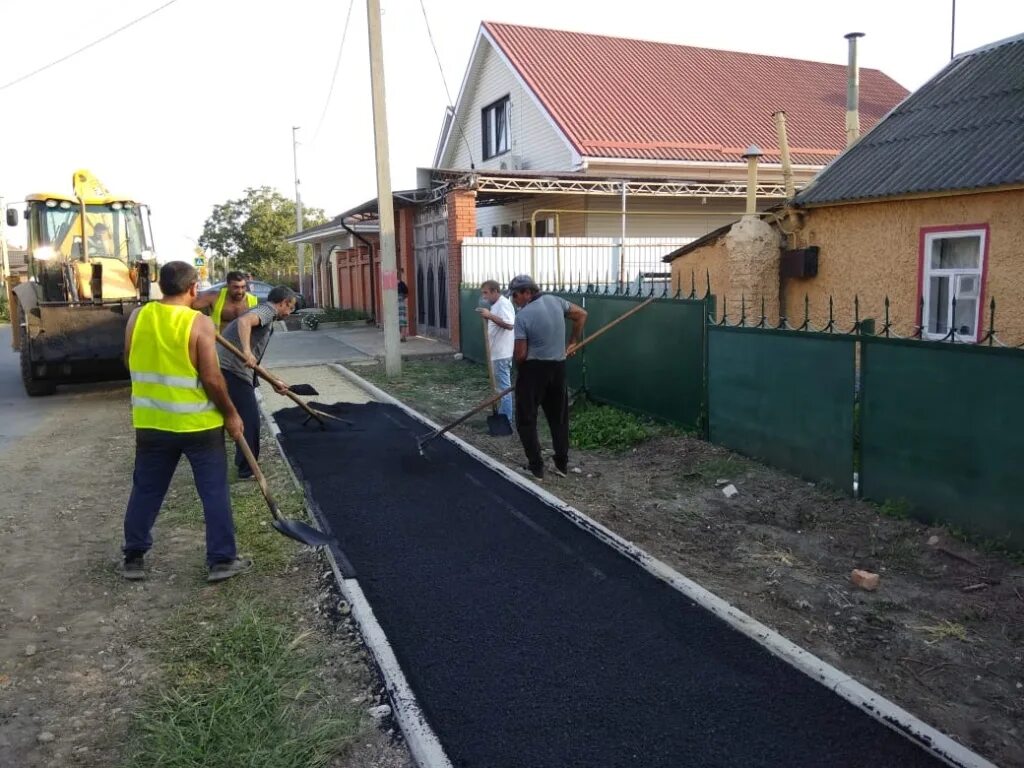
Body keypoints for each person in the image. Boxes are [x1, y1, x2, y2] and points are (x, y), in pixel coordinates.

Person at [121, 261, 250, 583]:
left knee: (146, 490)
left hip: (151, 423)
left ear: (161, 285)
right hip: (198, 426)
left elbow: (127, 359)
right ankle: (221, 560)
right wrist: (232, 414)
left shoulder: (138, 317)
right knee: (214, 492)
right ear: (193, 288)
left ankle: (133, 557)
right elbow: (212, 377)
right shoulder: (199, 323)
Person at [509, 274, 587, 479]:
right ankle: (561, 465)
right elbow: (581, 314)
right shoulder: (556, 301)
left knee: (526, 419)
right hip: (558, 368)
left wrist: (520, 372)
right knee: (558, 418)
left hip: (533, 371)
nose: (514, 300)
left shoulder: (523, 317)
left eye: (515, 295)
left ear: (527, 292)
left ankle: (536, 468)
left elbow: (520, 354)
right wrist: (572, 342)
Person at [218, 286, 296, 479]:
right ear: (284, 303)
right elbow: (244, 322)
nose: (290, 312)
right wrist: (246, 350)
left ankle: (242, 462)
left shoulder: (264, 314)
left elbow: (254, 362)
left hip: (228, 369)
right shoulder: (267, 311)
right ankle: (246, 469)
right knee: (250, 420)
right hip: (231, 370)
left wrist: (273, 381)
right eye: (291, 307)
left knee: (243, 417)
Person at [475, 279, 516, 425]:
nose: (484, 296)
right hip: (497, 352)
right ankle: (503, 415)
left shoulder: (503, 304)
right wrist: (488, 315)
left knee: (504, 387)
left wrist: (490, 316)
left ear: (495, 291)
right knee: (500, 387)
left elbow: (510, 325)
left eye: (486, 293)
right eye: (482, 293)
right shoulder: (496, 305)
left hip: (502, 353)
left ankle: (506, 419)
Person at [192, 270, 258, 332]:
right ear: (227, 286)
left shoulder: (253, 301)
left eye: (243, 287)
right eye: (236, 287)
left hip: (242, 342)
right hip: (220, 342)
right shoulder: (215, 297)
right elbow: (189, 306)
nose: (240, 291)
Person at [397, 269, 409, 342]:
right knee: (403, 321)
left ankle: (400, 336)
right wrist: (402, 298)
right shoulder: (402, 284)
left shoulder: (390, 284)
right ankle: (403, 337)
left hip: (393, 306)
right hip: (401, 304)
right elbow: (406, 293)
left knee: (395, 321)